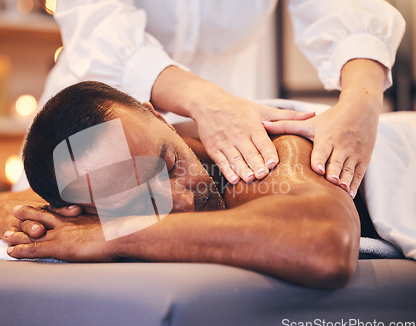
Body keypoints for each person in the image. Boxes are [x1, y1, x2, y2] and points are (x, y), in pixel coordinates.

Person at [0, 81, 361, 288]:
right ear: (75, 212)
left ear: (158, 117)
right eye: (137, 201)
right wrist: (13, 218)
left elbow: (324, 245)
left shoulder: (265, 147)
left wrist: (114, 234)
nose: (184, 202)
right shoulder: (75, 202)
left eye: (170, 164)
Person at [35, 0, 405, 199]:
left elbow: (347, 7)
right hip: (94, 117)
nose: (177, 200)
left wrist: (362, 104)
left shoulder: (283, 155)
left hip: (232, 108)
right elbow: (98, 26)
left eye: (168, 165)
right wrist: (208, 104)